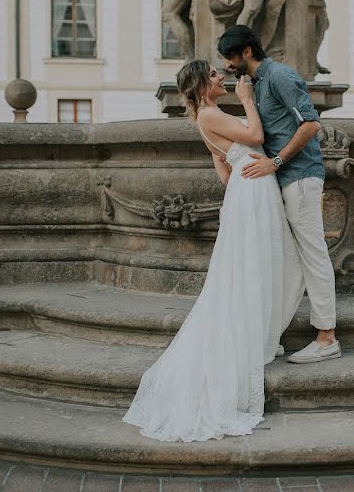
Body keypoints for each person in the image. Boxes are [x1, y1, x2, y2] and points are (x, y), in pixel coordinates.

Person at [123, 60, 303, 442]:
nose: (222, 77)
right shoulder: (212, 113)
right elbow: (255, 135)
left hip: (246, 187)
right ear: (203, 85)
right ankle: (252, 338)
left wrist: (240, 168)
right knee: (263, 264)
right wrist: (248, 99)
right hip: (253, 190)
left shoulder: (205, 118)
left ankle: (256, 334)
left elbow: (223, 171)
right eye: (215, 75)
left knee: (254, 265)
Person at [218, 24, 340, 364]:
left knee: (313, 254)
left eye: (230, 57)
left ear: (246, 53)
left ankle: (327, 337)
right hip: (284, 180)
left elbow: (311, 125)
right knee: (289, 259)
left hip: (299, 177)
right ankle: (274, 334)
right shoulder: (256, 85)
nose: (227, 65)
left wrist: (275, 161)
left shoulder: (280, 77)